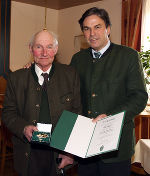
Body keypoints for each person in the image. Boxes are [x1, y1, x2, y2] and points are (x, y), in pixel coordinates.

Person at [70, 7, 148, 176]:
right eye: (86, 28)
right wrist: (39, 70)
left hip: (117, 148)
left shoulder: (129, 56)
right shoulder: (77, 60)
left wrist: (110, 116)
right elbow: (67, 93)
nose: (92, 33)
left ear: (108, 29)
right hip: (85, 145)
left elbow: (139, 97)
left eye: (97, 27)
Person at [2, 30, 82, 176]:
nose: (45, 52)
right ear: (31, 49)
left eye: (49, 47)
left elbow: (77, 114)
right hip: (29, 152)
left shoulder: (70, 75)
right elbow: (7, 113)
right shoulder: (16, 78)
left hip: (59, 153)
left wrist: (69, 152)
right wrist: (23, 127)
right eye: (39, 47)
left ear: (56, 49)